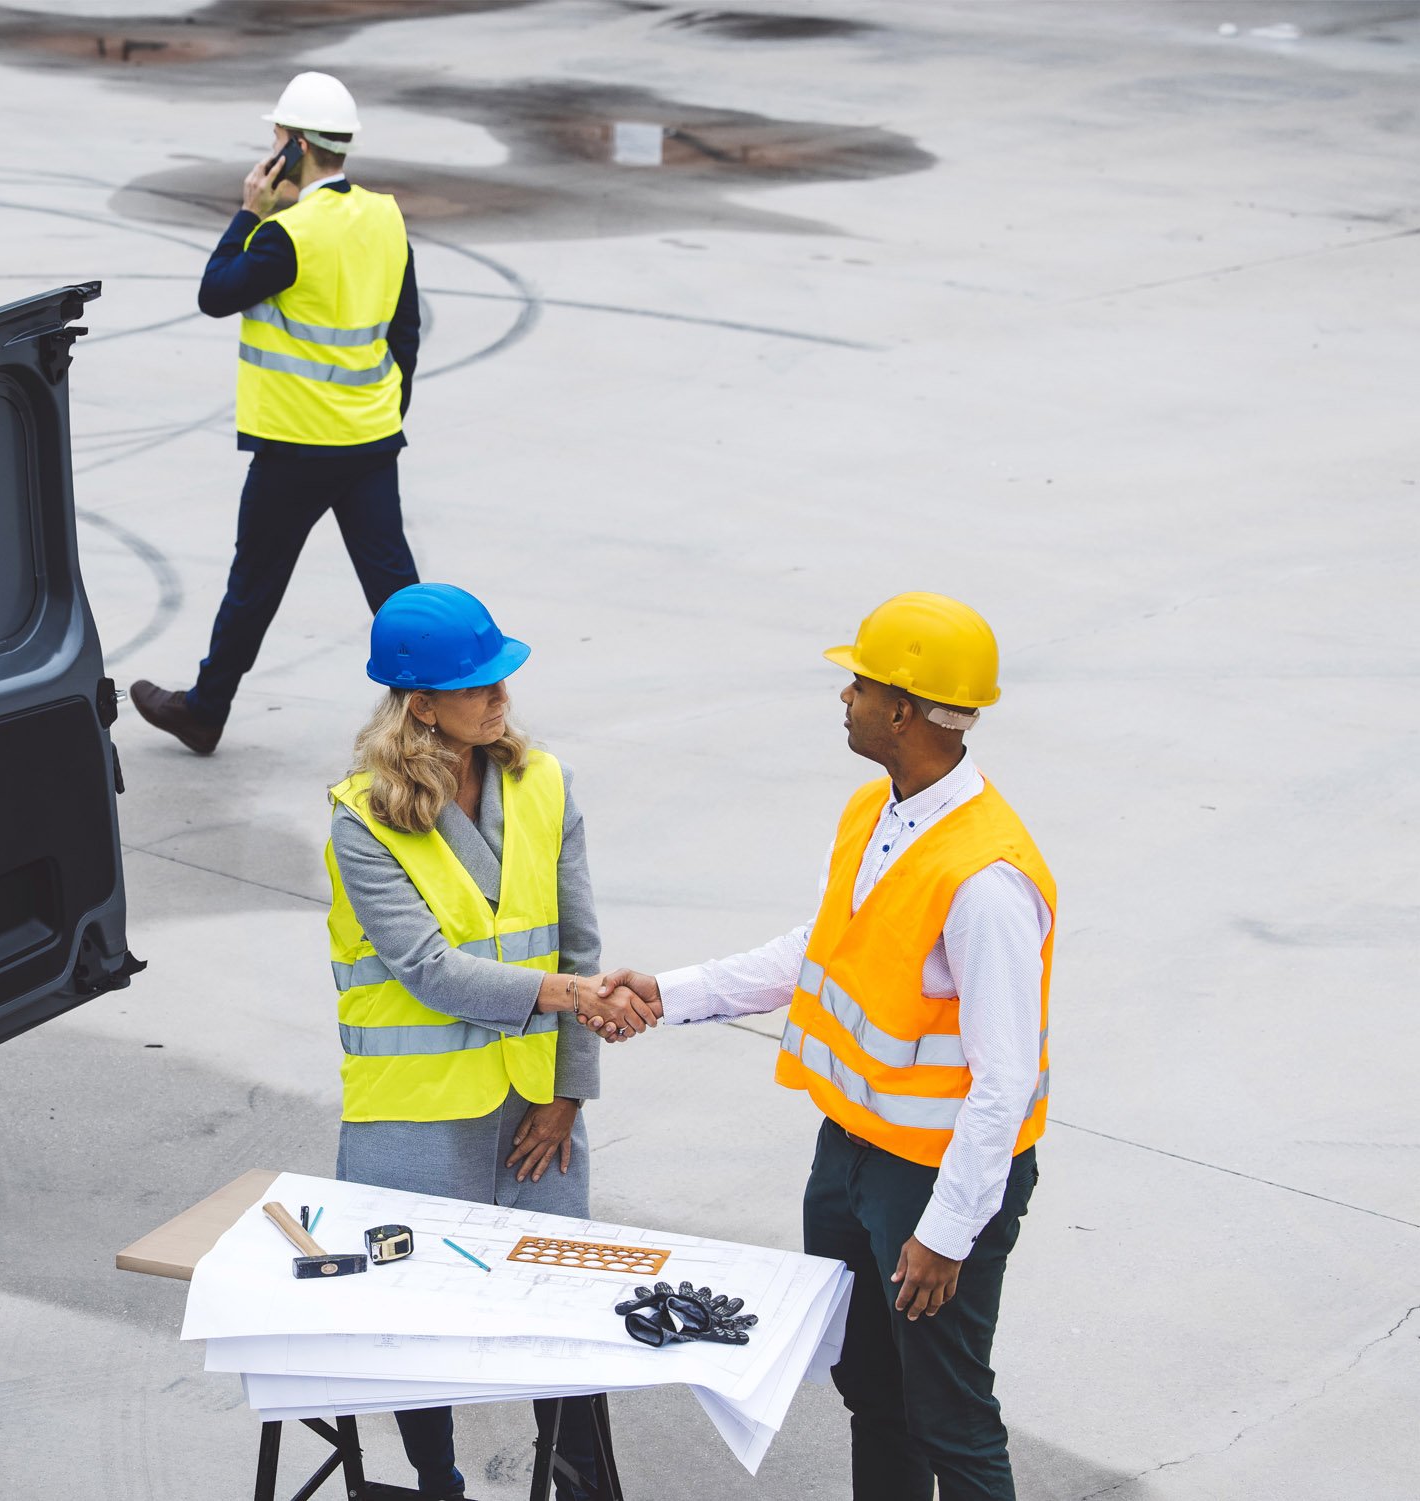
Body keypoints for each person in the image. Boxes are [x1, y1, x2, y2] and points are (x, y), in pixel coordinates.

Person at [594, 593, 1054, 1501]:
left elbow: (1005, 1082)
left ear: (905, 710)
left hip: (932, 1177)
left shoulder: (986, 880)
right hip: (849, 1154)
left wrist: (945, 1232)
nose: (844, 697)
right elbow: (818, 950)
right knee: (871, 1388)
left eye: (861, 682)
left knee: (948, 1412)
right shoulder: (873, 812)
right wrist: (673, 993)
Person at [324, 584, 653, 1501]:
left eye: (503, 674)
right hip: (416, 1118)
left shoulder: (543, 780)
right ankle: (439, 1482)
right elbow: (426, 968)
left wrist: (567, 1096)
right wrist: (564, 995)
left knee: (568, 1309)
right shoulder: (363, 817)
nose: (500, 693)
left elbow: (579, 941)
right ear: (420, 704)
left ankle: (584, 1481)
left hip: (535, 1109)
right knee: (420, 1317)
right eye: (477, 684)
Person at [130, 70, 421, 756]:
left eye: (276, 137)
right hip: (370, 439)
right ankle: (443, 708)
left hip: (296, 446)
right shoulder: (383, 215)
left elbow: (215, 292)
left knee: (254, 584)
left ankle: (205, 709)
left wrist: (249, 211)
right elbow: (405, 328)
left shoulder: (289, 233)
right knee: (395, 586)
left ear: (293, 146)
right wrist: (383, 405)